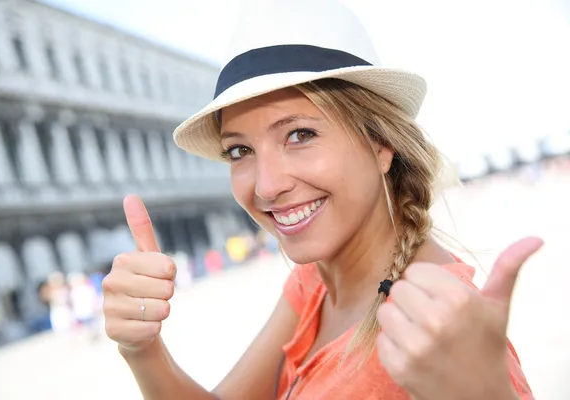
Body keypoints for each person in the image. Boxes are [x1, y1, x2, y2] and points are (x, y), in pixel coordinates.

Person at [102, 0, 542, 398]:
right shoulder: (316, 280)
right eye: (240, 150)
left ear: (381, 145)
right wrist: (141, 350)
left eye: (300, 135)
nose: (266, 186)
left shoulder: (438, 326)